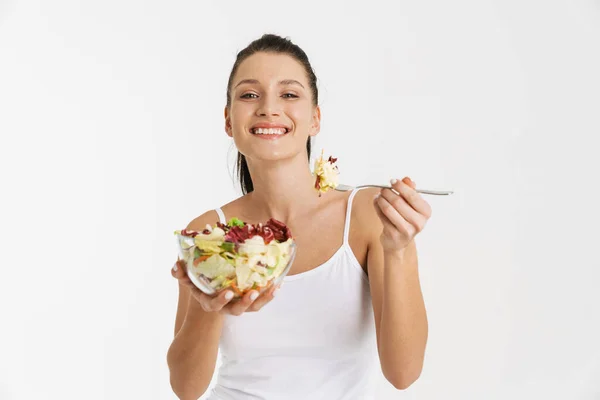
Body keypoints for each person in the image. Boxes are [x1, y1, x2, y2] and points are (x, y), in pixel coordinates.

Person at [167, 33, 431, 400]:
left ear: (315, 119)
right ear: (229, 121)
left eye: (289, 94)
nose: (268, 108)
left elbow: (403, 374)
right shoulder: (210, 232)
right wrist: (210, 300)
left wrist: (400, 250)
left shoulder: (372, 217)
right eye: (249, 95)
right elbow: (186, 388)